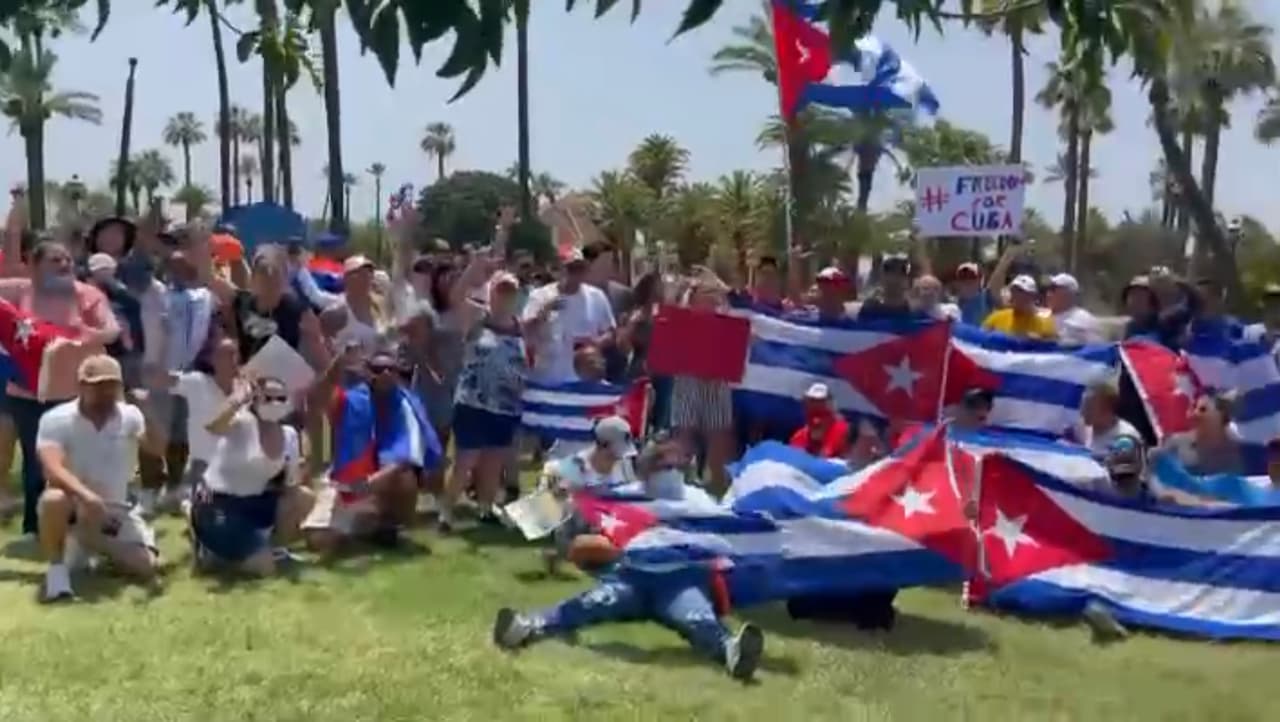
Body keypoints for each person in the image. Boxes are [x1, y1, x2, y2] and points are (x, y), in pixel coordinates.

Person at [2, 199, 121, 536]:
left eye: (68, 260)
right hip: (27, 394)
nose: (65, 265)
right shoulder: (17, 290)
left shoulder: (87, 294)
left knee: (76, 465)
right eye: (55, 260)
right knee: (35, 465)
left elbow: (112, 330)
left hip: (75, 395)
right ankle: (34, 528)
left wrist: (87, 337)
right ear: (33, 266)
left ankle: (79, 528)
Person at [492, 534, 765, 681]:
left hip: (681, 577)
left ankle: (732, 651)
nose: (666, 469)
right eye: (659, 462)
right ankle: (526, 626)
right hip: (631, 575)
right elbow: (581, 546)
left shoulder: (695, 503)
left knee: (696, 616)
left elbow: (726, 540)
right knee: (592, 602)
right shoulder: (626, 501)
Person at [35, 355, 158, 601]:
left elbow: (157, 449)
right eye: (97, 385)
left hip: (115, 509)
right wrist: (86, 497)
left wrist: (149, 411)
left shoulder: (131, 415)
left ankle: (89, 539)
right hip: (74, 504)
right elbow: (52, 467)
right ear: (81, 386)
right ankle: (57, 576)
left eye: (111, 385)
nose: (105, 392)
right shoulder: (56, 419)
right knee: (52, 499)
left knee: (148, 567)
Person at [303, 347, 440, 553]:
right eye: (378, 369)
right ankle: (365, 528)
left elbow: (405, 460)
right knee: (320, 542)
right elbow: (316, 399)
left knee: (406, 478)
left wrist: (368, 484)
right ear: (367, 372)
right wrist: (337, 366)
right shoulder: (353, 399)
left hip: (376, 482)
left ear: (397, 374)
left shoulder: (406, 404)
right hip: (346, 482)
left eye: (391, 369)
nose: (385, 374)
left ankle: (388, 521)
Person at [440, 258, 542, 532]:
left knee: (494, 462)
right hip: (473, 401)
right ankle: (446, 512)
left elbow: (529, 362)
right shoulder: (476, 317)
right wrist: (475, 265)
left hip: (506, 406)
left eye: (510, 291)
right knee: (465, 460)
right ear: (491, 292)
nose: (505, 297)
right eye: (500, 290)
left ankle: (485, 508)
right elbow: (455, 296)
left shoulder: (521, 327)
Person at [190, 375, 316, 574]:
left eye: (280, 399)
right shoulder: (241, 422)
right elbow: (212, 426)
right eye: (268, 398)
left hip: (254, 502)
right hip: (217, 504)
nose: (274, 404)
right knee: (264, 569)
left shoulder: (290, 435)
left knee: (304, 497)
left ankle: (276, 549)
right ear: (255, 400)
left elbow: (291, 486)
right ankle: (209, 550)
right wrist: (237, 399)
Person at [539, 415, 639, 572]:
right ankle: (569, 553)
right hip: (580, 528)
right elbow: (551, 507)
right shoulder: (574, 467)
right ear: (603, 445)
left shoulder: (624, 465)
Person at [669, 273, 736, 493]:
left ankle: (716, 490)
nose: (709, 300)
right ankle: (678, 486)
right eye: (703, 295)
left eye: (712, 295)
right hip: (687, 381)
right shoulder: (682, 318)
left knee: (718, 437)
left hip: (717, 384)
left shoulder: (728, 321)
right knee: (683, 436)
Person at [522, 248, 616, 385]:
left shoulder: (596, 296)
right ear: (558, 270)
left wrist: (596, 343)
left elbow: (611, 332)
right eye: (571, 269)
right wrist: (544, 311)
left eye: (580, 268)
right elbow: (525, 331)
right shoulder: (540, 296)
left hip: (584, 380)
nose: (576, 274)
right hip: (550, 379)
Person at [1155, 391, 1246, 476]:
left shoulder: (1234, 442)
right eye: (1195, 408)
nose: (1194, 414)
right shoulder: (1178, 441)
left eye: (1203, 410)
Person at [320, 254, 388, 357]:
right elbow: (322, 346)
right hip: (350, 371)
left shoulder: (379, 306)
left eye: (369, 272)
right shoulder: (337, 312)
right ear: (346, 279)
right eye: (359, 274)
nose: (366, 277)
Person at [1075, 380, 1142, 457]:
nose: (1082, 412)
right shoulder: (1080, 429)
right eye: (1082, 406)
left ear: (1107, 410)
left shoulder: (1127, 437)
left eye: (1088, 408)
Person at [981, 275, 1056, 340]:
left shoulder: (1044, 323)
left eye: (1021, 292)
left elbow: (1053, 347)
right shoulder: (997, 317)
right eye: (1014, 291)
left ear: (1033, 296)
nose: (1016, 295)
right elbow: (981, 337)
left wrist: (1039, 340)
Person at [789, 383, 850, 458]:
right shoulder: (799, 438)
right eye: (812, 401)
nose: (816, 420)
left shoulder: (843, 431)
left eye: (821, 403)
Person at [1045, 273, 1102, 346]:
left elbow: (1096, 349)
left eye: (1053, 289)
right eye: (1048, 288)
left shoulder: (1083, 320)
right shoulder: (1040, 317)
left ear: (1069, 293)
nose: (1048, 293)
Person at [857, 254, 916, 319]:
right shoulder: (869, 310)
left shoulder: (915, 313)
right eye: (888, 270)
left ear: (908, 280)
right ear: (880, 278)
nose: (893, 278)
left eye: (901, 272)